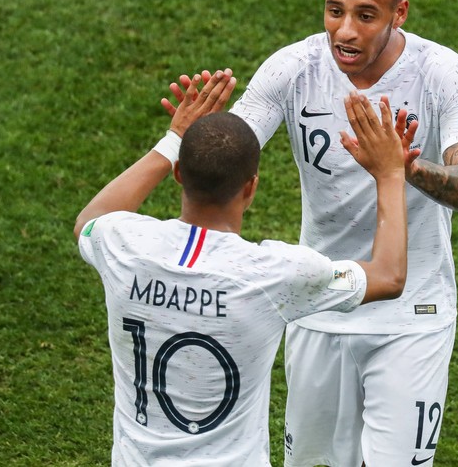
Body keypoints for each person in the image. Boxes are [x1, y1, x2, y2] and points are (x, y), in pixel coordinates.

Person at [166, 0, 458, 466]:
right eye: (334, 10)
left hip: (413, 315)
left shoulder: (445, 74)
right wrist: (190, 136)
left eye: (366, 15)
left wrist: (402, 166)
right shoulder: (293, 70)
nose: (345, 30)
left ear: (400, 12)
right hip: (320, 304)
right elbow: (229, 154)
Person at [75, 70, 412, 466]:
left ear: (180, 174)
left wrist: (171, 142)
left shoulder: (123, 244)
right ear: (251, 187)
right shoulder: (275, 273)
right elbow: (389, 276)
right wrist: (391, 174)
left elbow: (89, 220)